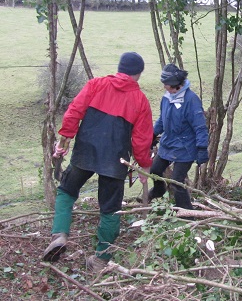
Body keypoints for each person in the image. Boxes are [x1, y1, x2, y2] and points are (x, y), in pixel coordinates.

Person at [43, 52, 154, 272]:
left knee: (66, 191)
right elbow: (142, 140)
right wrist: (144, 166)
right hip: (116, 161)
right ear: (138, 74)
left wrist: (64, 141)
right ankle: (101, 260)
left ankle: (60, 235)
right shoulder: (140, 101)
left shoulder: (96, 85)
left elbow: (74, 112)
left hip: (86, 152)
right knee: (111, 210)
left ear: (119, 68)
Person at [147, 63, 209, 210]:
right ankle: (158, 190)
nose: (164, 87)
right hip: (168, 143)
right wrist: (152, 135)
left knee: (177, 182)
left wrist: (202, 148)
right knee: (155, 170)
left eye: (166, 84)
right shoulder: (167, 98)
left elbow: (200, 127)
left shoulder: (191, 100)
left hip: (186, 148)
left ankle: (188, 214)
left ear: (175, 84)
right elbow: (162, 120)